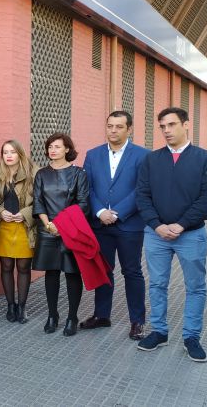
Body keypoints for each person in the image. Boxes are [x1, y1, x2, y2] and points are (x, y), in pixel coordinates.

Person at [136, 107, 207, 362]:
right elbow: (142, 195)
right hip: (156, 235)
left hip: (191, 235)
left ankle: (191, 337)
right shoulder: (152, 159)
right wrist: (156, 225)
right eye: (162, 126)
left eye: (171, 125)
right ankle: (159, 331)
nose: (166, 130)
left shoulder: (206, 159)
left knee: (195, 286)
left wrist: (181, 224)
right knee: (157, 284)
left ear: (186, 125)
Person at [81, 111, 149, 340]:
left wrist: (117, 213)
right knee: (103, 270)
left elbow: (142, 189)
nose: (113, 130)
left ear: (129, 129)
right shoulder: (93, 155)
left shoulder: (143, 156)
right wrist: (100, 212)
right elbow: (87, 188)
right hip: (100, 224)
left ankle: (137, 321)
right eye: (110, 126)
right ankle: (102, 315)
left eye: (119, 126)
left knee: (132, 271)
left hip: (129, 224)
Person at [32, 133, 89, 336]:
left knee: (72, 273)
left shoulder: (79, 173)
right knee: (51, 273)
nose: (52, 150)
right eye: (50, 147)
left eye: (57, 146)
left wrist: (61, 224)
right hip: (47, 229)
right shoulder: (41, 174)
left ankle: (72, 317)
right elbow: (38, 201)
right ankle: (52, 315)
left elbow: (83, 203)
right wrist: (48, 224)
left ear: (67, 149)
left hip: (70, 230)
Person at [0, 140, 38, 324]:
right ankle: (10, 305)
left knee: (23, 267)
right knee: (6, 266)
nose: (9, 155)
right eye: (5, 152)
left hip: (25, 227)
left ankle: (22, 306)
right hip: (4, 226)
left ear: (20, 153)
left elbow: (41, 200)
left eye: (12, 152)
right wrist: (0, 211)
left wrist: (25, 214)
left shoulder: (33, 172)